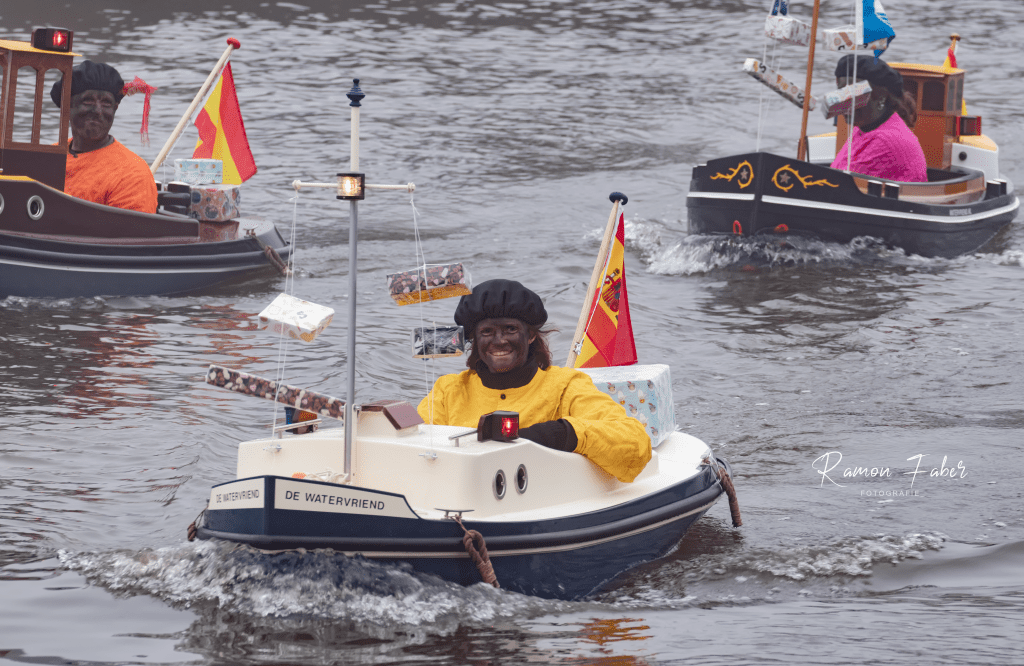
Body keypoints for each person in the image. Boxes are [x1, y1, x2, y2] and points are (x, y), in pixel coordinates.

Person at [417, 279, 652, 483]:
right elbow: (414, 446)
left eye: (510, 329)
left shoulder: (566, 385)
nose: (499, 341)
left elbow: (636, 443)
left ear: (530, 335)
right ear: (474, 339)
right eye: (487, 332)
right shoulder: (448, 390)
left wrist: (560, 434)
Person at [50, 60, 158, 213]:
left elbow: (132, 234)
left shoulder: (131, 174)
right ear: (67, 106)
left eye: (106, 103)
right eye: (88, 100)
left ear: (115, 109)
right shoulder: (49, 158)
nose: (98, 111)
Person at [830, 54, 928, 183]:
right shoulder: (864, 128)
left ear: (881, 97)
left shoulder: (884, 141)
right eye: (841, 92)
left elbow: (838, 185)